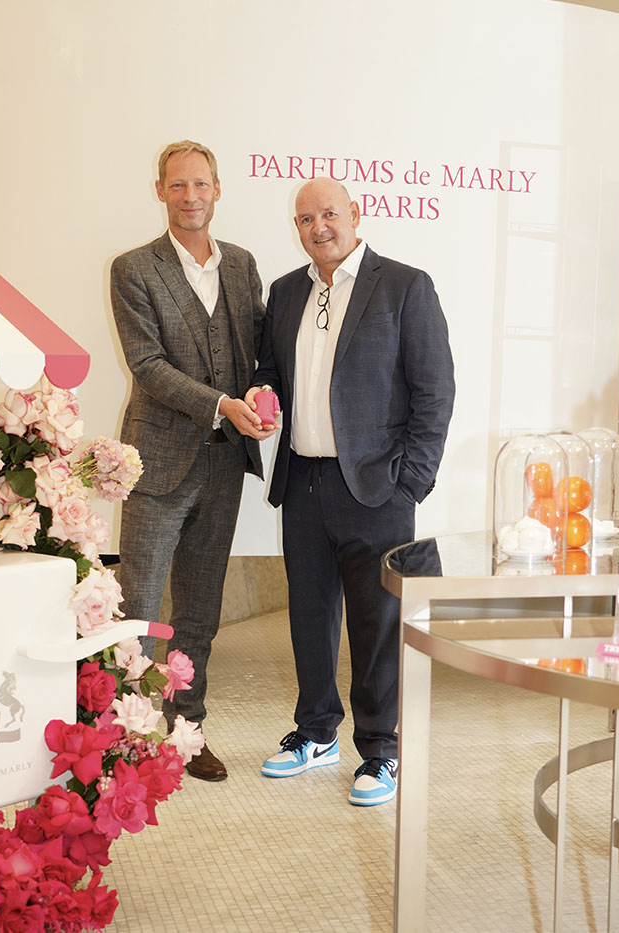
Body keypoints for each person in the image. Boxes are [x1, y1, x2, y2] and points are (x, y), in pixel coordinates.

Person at [245, 177, 454, 806]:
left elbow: (435, 391)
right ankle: (315, 733)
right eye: (305, 219)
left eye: (329, 214)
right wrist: (263, 395)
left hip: (377, 487)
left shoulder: (405, 286)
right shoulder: (286, 291)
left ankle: (380, 750)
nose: (318, 228)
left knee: (376, 623)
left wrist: (410, 482)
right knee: (309, 615)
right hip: (303, 481)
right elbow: (270, 370)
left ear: (356, 215)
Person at [110, 140, 272, 782]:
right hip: (158, 462)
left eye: (200, 184)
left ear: (218, 189)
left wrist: (261, 397)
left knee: (200, 611)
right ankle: (126, 738)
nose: (190, 196)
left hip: (224, 465)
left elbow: (259, 351)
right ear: (160, 191)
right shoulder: (133, 268)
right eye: (177, 185)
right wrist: (223, 404)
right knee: (140, 609)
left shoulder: (242, 264)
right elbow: (147, 366)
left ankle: (186, 729)